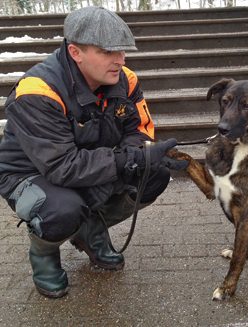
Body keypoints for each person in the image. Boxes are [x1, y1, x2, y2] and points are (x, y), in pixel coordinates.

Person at [0, 6, 187, 298]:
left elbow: (139, 129)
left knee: (154, 174)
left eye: (123, 52)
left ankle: (89, 229)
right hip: (30, 175)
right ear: (76, 52)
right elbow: (61, 166)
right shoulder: (38, 91)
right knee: (63, 210)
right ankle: (44, 251)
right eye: (108, 52)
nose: (120, 60)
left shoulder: (125, 79)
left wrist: (135, 157)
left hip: (90, 164)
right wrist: (125, 161)